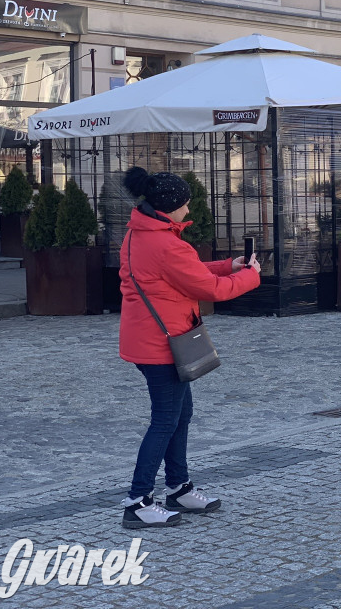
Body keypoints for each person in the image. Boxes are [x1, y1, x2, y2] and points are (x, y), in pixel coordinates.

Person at [119, 167, 261, 529]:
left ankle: (178, 487)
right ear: (172, 206)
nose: (189, 207)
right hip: (162, 344)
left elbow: (190, 271)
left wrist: (229, 265)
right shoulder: (165, 243)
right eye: (186, 202)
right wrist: (250, 275)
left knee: (180, 416)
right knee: (165, 420)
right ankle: (138, 501)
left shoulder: (142, 233)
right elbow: (210, 289)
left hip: (152, 338)